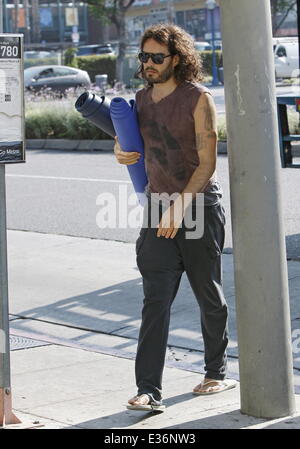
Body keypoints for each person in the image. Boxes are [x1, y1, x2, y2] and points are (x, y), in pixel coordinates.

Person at [114, 23, 236, 412]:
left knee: (207, 292)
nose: (148, 64)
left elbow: (207, 163)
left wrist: (180, 205)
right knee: (155, 299)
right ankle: (148, 389)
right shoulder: (140, 98)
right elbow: (133, 146)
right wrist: (120, 150)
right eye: (143, 57)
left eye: (156, 57)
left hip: (198, 205)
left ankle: (216, 371)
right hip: (157, 208)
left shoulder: (198, 98)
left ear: (177, 59)